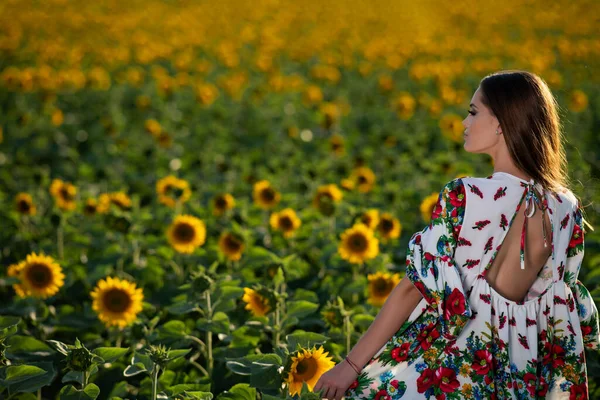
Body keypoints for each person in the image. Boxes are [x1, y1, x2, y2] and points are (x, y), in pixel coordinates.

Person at [313, 70, 599, 399]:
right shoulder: (566, 206)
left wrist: (349, 366)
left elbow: (412, 289)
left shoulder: (468, 196)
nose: (464, 122)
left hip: (457, 373)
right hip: (530, 376)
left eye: (473, 112)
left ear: (502, 122)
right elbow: (565, 298)